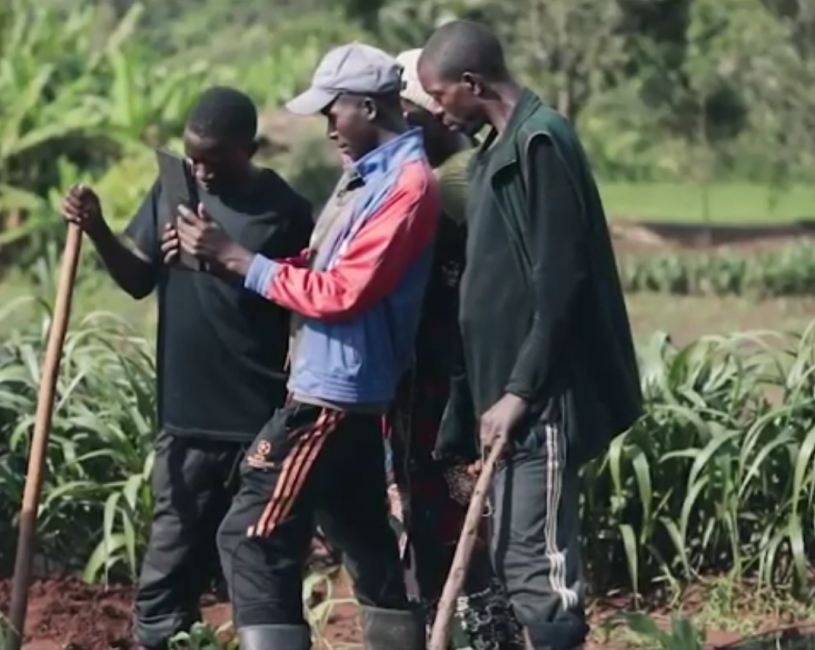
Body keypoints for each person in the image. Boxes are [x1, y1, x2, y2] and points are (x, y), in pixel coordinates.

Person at [173, 42, 441, 650]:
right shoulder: (371, 176)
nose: (327, 129)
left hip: (333, 391)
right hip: (343, 389)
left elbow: (343, 291)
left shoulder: (405, 186)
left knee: (250, 535)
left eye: (332, 113)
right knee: (359, 531)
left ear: (368, 106)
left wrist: (241, 261)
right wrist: (233, 264)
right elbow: (325, 266)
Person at [417, 20, 644, 650]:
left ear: (471, 82)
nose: (437, 109)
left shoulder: (539, 143)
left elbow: (562, 279)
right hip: (504, 400)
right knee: (515, 561)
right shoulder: (495, 151)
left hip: (539, 400)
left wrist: (519, 390)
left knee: (536, 569)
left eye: (440, 95)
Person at [60, 86, 313, 650]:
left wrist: (226, 259)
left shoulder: (285, 210)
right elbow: (139, 279)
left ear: (248, 147)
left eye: (215, 160)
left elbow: (302, 299)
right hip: (186, 420)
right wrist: (99, 227)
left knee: (259, 570)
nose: (201, 170)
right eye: (193, 156)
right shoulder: (176, 189)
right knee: (166, 572)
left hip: (257, 420)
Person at [383, 48, 523, 650]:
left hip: (449, 391)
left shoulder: (452, 185)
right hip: (440, 386)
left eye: (405, 113)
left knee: (458, 520)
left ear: (432, 116)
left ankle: (477, 631)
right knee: (454, 520)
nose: (397, 126)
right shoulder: (454, 176)